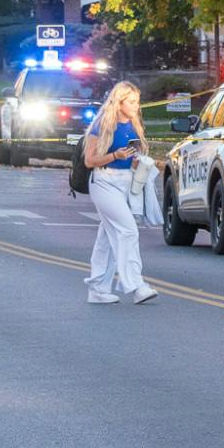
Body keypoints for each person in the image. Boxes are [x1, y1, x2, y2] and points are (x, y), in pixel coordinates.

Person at [80, 81, 157, 304]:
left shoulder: (133, 125)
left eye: (137, 102)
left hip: (125, 183)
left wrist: (140, 163)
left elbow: (130, 159)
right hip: (104, 182)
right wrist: (115, 156)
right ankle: (135, 285)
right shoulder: (103, 125)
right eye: (131, 102)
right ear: (119, 101)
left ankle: (98, 289)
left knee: (106, 237)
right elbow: (89, 160)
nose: (136, 106)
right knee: (128, 231)